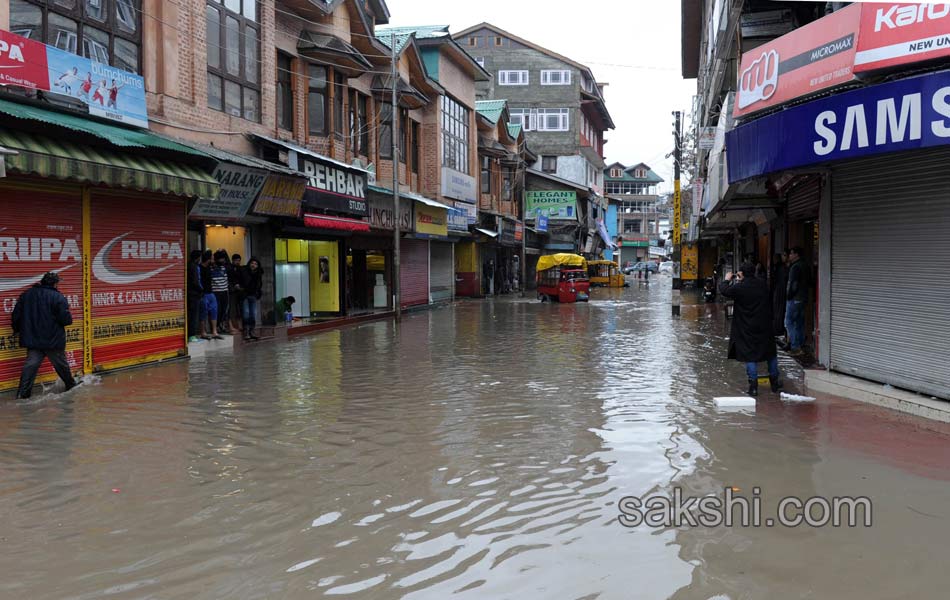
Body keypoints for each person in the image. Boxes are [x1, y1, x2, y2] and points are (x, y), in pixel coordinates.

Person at [11, 273, 79, 399]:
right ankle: (71, 386)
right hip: (52, 340)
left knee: (30, 367)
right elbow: (66, 320)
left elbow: (16, 316)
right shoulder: (57, 297)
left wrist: (17, 330)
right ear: (54, 283)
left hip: (33, 340)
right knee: (61, 366)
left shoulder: (27, 295)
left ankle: (22, 395)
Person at [719, 263, 782, 396]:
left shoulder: (740, 287)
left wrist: (727, 279)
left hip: (747, 326)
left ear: (741, 274)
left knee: (750, 355)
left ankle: (753, 386)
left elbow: (724, 290)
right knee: (770, 353)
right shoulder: (763, 284)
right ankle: (775, 382)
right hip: (764, 325)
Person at [785, 246, 809, 356]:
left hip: (795, 299)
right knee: (799, 323)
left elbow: (793, 285)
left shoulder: (795, 267)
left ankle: (795, 347)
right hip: (803, 298)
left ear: (796, 255)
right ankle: (801, 344)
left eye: (791, 253)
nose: (789, 255)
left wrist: (789, 296)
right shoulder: (805, 265)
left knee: (789, 322)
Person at [198, 250, 222, 340]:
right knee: (203, 313)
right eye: (212, 257)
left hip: (211, 293)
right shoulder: (199, 268)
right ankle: (203, 332)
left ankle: (214, 331)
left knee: (214, 311)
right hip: (203, 294)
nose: (213, 259)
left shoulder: (210, 267)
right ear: (208, 259)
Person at [239, 257, 263, 340]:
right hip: (245, 295)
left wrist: (258, 294)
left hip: (253, 296)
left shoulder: (258, 274)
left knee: (253, 314)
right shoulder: (244, 271)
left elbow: (259, 285)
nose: (253, 265)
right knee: (246, 313)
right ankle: (246, 331)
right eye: (252, 263)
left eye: (256, 264)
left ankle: (252, 331)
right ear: (249, 263)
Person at [210, 250, 231, 334]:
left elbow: (229, 263)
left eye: (224, 259)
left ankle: (220, 325)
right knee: (217, 310)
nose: (223, 261)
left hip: (225, 291)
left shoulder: (224, 267)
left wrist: (225, 252)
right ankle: (216, 326)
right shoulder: (211, 268)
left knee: (224, 310)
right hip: (216, 292)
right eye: (221, 259)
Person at [771, 251, 789, 342]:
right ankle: (779, 330)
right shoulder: (783, 268)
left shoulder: (780, 268)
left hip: (779, 291)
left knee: (778, 311)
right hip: (781, 291)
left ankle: (778, 330)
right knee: (779, 310)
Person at [186, 249, 203, 342]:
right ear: (197, 258)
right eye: (200, 257)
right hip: (194, 295)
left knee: (191, 315)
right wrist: (201, 290)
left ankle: (191, 334)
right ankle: (192, 335)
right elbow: (196, 282)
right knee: (193, 315)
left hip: (190, 294)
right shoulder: (194, 267)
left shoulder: (189, 265)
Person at [229, 254, 243, 333]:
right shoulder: (230, 268)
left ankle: (239, 325)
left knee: (239, 309)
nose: (238, 262)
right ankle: (233, 325)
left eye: (239, 261)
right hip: (232, 291)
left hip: (239, 291)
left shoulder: (240, 269)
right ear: (233, 260)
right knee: (232, 309)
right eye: (237, 260)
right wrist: (234, 286)